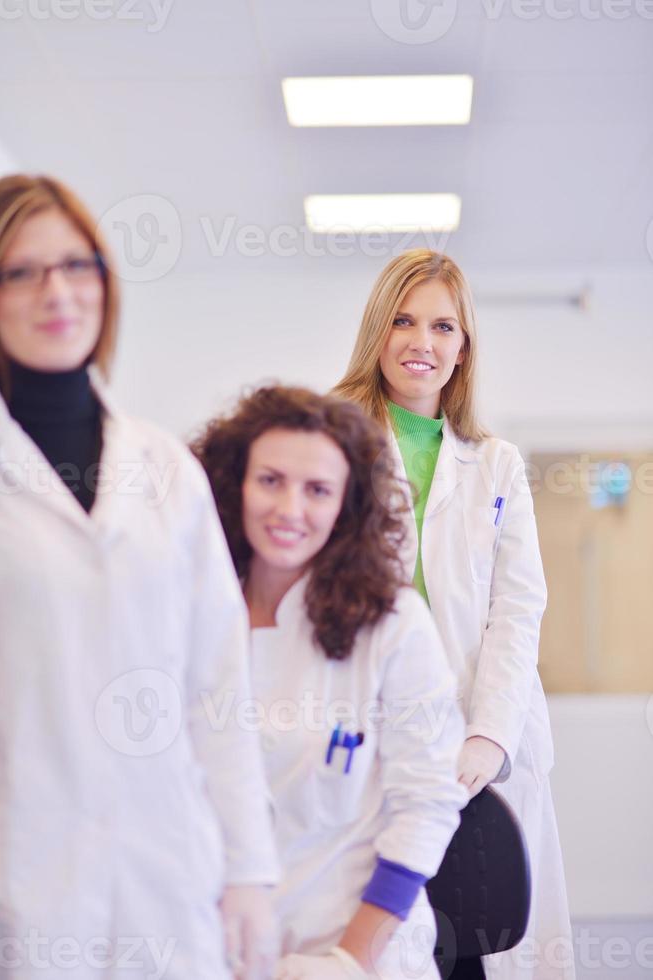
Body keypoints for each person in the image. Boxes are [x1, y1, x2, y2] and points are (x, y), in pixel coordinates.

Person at [0, 174, 279, 980]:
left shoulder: (165, 469)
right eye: (22, 271)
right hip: (27, 873)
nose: (57, 291)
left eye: (77, 265)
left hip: (169, 868)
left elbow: (217, 686)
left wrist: (250, 872)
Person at [333, 249, 575, 980]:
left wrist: (490, 736)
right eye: (404, 321)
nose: (422, 342)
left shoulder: (494, 463)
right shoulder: (333, 447)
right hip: (377, 736)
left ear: (464, 347)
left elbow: (517, 608)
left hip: (483, 745)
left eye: (444, 326)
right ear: (378, 332)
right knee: (384, 937)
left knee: (480, 944)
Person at [192, 386, 468, 980]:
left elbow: (426, 804)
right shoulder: (191, 616)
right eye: (270, 480)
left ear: (347, 505)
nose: (289, 509)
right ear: (233, 482)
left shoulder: (392, 626)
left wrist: (349, 961)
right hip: (213, 946)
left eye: (317, 490)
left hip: (354, 948)